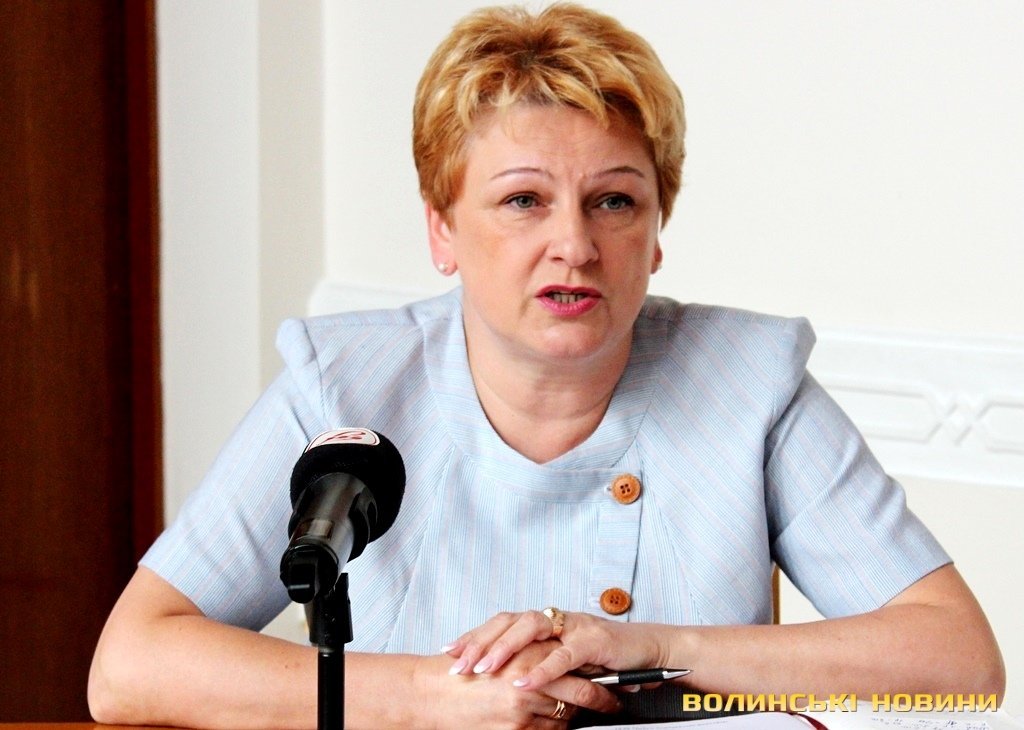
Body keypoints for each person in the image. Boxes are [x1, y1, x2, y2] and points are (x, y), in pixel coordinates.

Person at [88, 3, 1004, 729]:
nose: (575, 244)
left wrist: (657, 649)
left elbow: (960, 661)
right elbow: (129, 664)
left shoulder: (750, 380)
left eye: (614, 201)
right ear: (442, 229)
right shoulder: (343, 383)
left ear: (657, 232)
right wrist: (431, 698)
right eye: (524, 200)